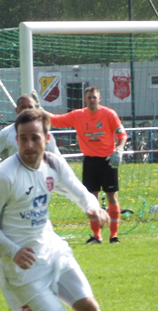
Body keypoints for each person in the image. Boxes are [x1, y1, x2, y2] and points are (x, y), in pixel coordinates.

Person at [0, 108, 133, 311]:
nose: (29, 145)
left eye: (35, 138)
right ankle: (24, 310)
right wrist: (12, 250)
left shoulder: (53, 164)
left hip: (54, 250)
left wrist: (93, 208)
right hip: (22, 267)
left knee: (91, 309)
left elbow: (79, 190)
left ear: (47, 138)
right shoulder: (4, 175)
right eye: (23, 139)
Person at [47, 86, 127, 244]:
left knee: (112, 197)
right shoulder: (78, 115)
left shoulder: (109, 114)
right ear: (85, 99)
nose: (92, 100)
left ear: (100, 99)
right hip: (90, 161)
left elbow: (122, 134)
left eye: (94, 97)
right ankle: (96, 235)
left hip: (108, 160)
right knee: (91, 198)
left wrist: (119, 149)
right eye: (89, 97)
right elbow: (56, 120)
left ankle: (114, 235)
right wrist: (37, 109)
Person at [0, 94, 59, 180]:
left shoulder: (43, 133)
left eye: (30, 107)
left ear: (35, 109)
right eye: (23, 107)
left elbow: (57, 158)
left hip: (37, 185)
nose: (27, 110)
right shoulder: (6, 133)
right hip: (12, 186)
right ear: (17, 110)